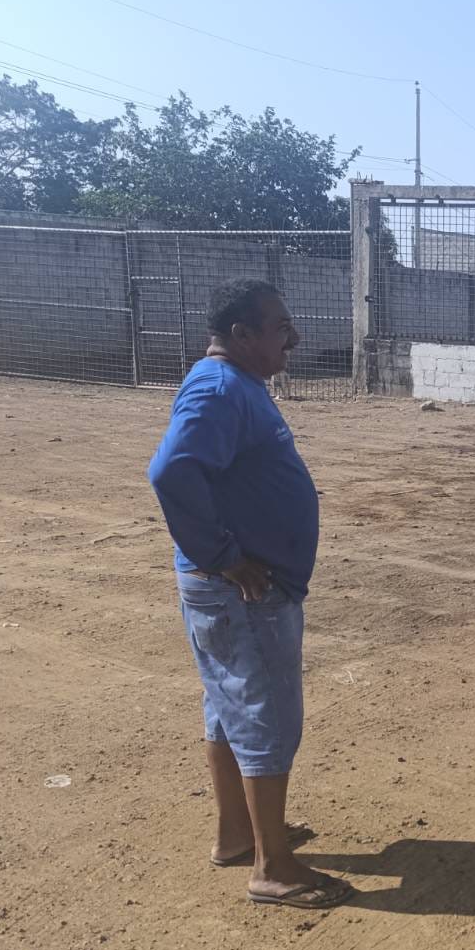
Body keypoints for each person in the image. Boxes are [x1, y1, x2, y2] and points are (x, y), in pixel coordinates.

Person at [148, 279, 354, 908]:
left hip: (235, 590)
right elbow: (171, 470)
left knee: (230, 707)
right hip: (242, 592)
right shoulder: (218, 389)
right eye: (280, 327)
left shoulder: (234, 384)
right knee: (266, 717)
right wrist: (225, 558)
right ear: (241, 334)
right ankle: (273, 868)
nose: (294, 338)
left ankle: (237, 833)